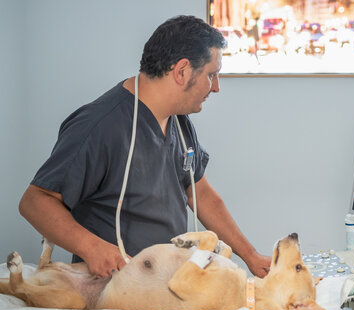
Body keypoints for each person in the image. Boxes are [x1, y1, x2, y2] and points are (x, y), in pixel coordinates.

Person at [18, 15, 271, 279]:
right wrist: (90, 247)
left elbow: (201, 194)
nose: (216, 88)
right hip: (116, 287)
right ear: (182, 71)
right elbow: (34, 202)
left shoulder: (179, 123)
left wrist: (251, 256)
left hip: (167, 284)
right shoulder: (100, 126)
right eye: (212, 75)